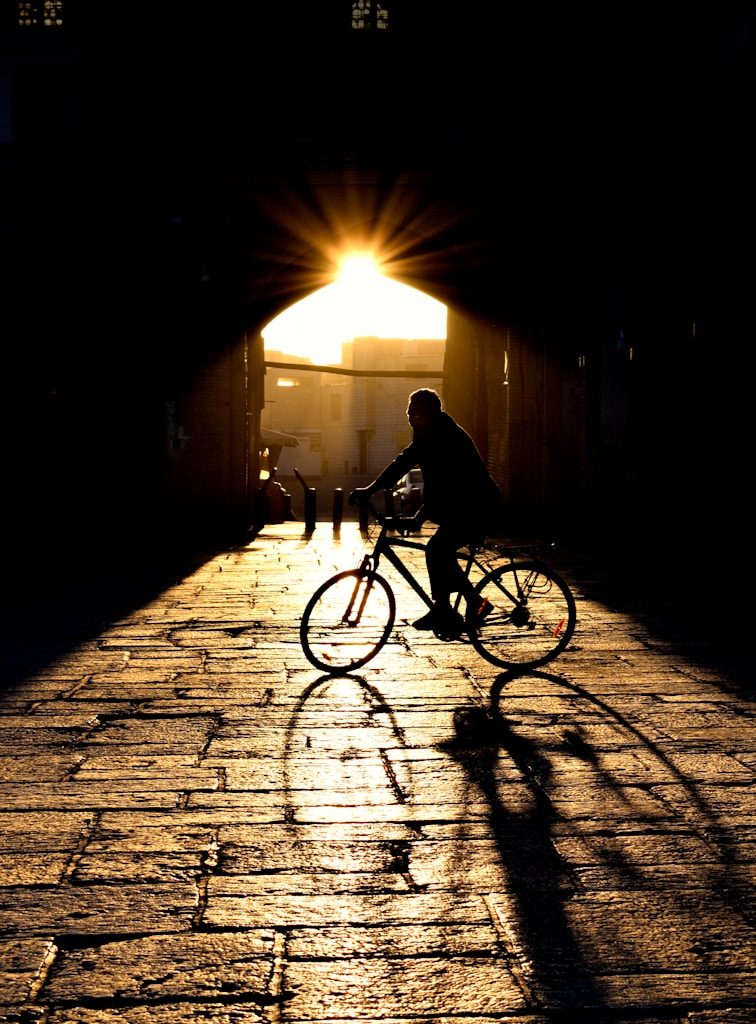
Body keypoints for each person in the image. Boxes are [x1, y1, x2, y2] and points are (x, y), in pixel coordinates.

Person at [349, 388, 507, 633]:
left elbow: (448, 484)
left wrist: (418, 516)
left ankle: (448, 608)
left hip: (478, 507)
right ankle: (471, 602)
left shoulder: (446, 437)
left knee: (437, 549)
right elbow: (403, 462)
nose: (412, 419)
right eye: (409, 415)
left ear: (432, 414)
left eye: (417, 415)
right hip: (460, 507)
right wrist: (370, 490)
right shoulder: (427, 434)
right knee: (439, 552)